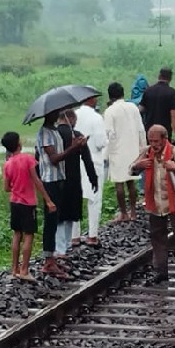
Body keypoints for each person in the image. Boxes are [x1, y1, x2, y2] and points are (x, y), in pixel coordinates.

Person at [132, 124, 175, 284]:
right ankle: (161, 270)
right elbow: (131, 169)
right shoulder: (147, 151)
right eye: (150, 141)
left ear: (165, 139)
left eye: (156, 141)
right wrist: (137, 166)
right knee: (157, 236)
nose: (153, 144)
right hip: (155, 202)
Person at [35, 109, 84, 279]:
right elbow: (54, 159)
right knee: (51, 221)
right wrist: (73, 148)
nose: (58, 114)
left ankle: (52, 258)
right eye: (56, 112)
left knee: (55, 220)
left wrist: (75, 144)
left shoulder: (54, 131)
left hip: (59, 179)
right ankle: (48, 261)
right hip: (50, 181)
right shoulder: (45, 133)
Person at [1, 131, 56, 281]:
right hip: (28, 203)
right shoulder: (27, 159)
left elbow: (6, 187)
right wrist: (48, 200)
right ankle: (24, 269)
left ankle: (14, 269)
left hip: (14, 202)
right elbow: (37, 181)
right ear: (19, 143)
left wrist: (16, 188)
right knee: (29, 235)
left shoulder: (7, 164)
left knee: (17, 234)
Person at [56, 109, 97, 257]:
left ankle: (59, 248)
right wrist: (93, 179)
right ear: (71, 118)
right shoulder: (77, 136)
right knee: (70, 213)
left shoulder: (53, 135)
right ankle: (66, 246)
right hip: (73, 180)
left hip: (56, 180)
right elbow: (87, 160)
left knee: (59, 215)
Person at [104, 81, 147, 223]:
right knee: (131, 182)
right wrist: (143, 148)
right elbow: (141, 128)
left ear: (110, 97)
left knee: (119, 183)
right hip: (133, 149)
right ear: (123, 94)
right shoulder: (133, 107)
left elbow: (109, 134)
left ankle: (123, 213)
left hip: (117, 150)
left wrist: (107, 154)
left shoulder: (109, 111)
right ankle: (133, 212)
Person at [72, 94, 108, 246]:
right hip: (93, 162)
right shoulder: (97, 117)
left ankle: (74, 236)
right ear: (91, 100)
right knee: (94, 199)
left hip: (75, 161)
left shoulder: (73, 115)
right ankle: (92, 235)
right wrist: (107, 139)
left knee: (75, 198)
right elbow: (100, 143)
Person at [140, 67, 175, 141]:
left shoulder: (148, 90)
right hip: (164, 133)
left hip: (150, 132)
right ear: (170, 79)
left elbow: (140, 110)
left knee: (150, 151)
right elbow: (173, 116)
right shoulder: (171, 92)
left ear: (159, 76)